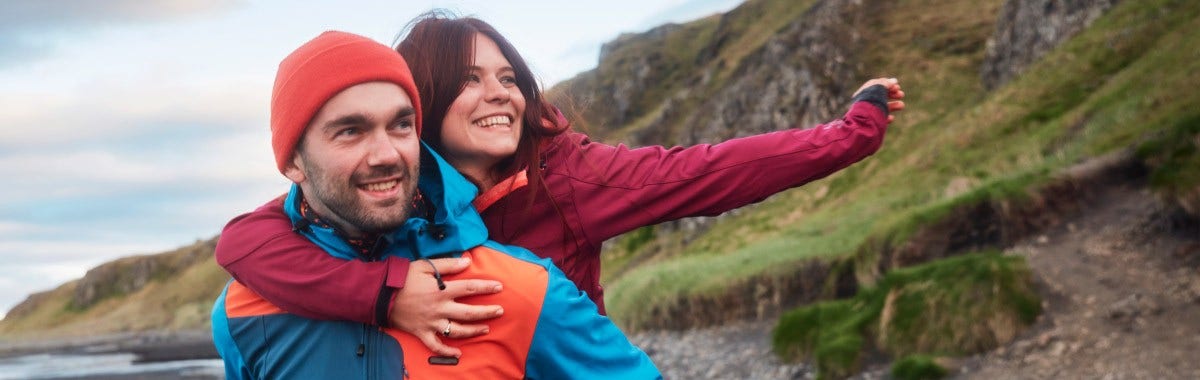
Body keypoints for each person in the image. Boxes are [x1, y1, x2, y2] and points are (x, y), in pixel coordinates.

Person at [215, 12, 905, 357]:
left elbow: (716, 170)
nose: (500, 96)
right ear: (421, 99)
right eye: (470, 79)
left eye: (509, 77)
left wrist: (855, 130)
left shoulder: (573, 176)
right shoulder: (396, 180)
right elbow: (249, 240)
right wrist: (384, 296)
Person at [210, 30, 660, 379]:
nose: (386, 154)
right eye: (350, 130)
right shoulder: (241, 312)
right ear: (292, 163)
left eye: (401, 125)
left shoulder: (516, 290)